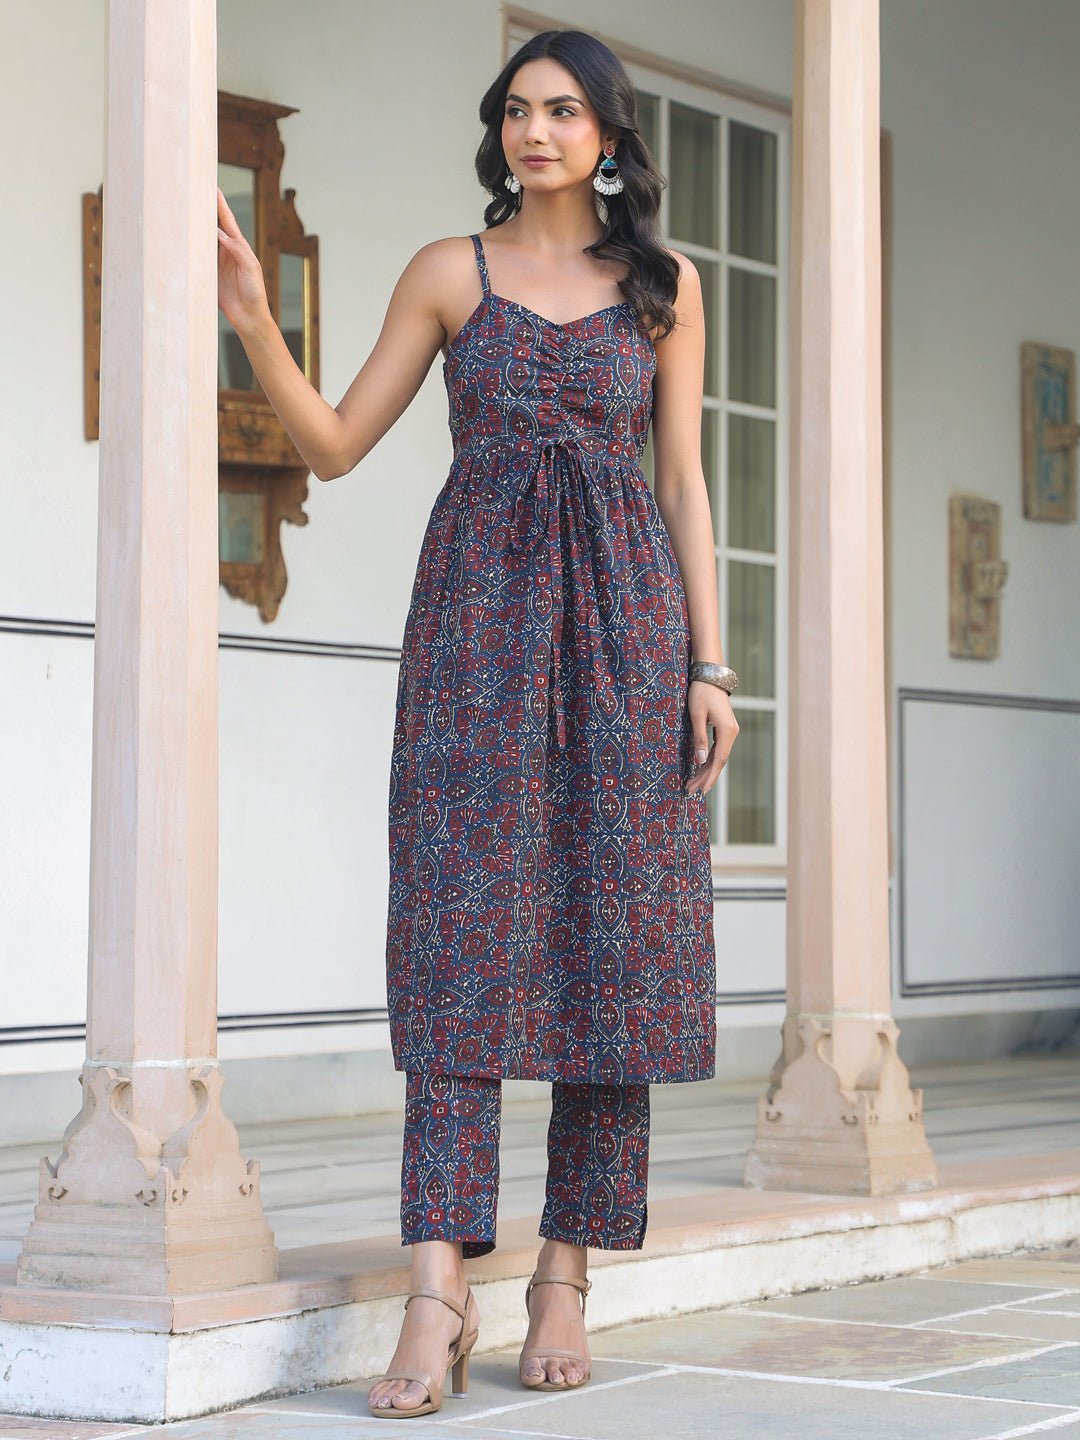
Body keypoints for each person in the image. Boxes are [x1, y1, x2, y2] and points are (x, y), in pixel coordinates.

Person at [217, 25, 738, 1423]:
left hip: (628, 633)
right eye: (517, 109)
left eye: (563, 110)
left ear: (610, 136)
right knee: (459, 940)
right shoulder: (452, 272)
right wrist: (255, 318)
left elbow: (682, 483)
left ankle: (566, 1271)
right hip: (474, 631)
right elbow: (335, 444)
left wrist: (711, 666)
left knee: (613, 940)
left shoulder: (666, 288)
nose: (535, 130)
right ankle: (437, 1288)